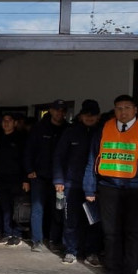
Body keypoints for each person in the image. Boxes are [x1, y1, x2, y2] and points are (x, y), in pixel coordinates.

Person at [84, 94, 138, 274]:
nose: (122, 112)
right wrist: (89, 186)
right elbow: (93, 158)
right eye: (119, 108)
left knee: (133, 233)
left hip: (137, 188)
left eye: (127, 108)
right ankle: (112, 271)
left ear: (135, 110)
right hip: (109, 187)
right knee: (110, 233)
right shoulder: (105, 127)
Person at [53, 99, 103, 265]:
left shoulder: (103, 133)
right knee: (70, 220)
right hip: (71, 183)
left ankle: (91, 252)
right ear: (80, 116)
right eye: (86, 115)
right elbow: (59, 156)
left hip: (95, 186)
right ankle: (70, 250)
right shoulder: (71, 132)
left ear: (98, 116)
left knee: (93, 221)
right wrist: (59, 180)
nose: (89, 118)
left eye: (93, 115)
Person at [24, 99, 69, 252]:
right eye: (57, 110)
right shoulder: (39, 128)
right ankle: (37, 240)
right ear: (50, 111)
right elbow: (29, 150)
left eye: (62, 111)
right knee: (38, 209)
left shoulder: (67, 129)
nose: (59, 113)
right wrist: (29, 170)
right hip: (39, 176)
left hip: (60, 179)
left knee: (57, 209)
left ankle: (54, 240)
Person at [0, 113, 29, 246]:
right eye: (4, 120)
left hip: (17, 179)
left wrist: (25, 179)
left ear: (15, 123)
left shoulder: (21, 139)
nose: (6, 123)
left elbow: (25, 159)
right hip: (2, 179)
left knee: (17, 208)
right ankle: (7, 233)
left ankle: (17, 234)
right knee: (4, 207)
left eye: (9, 120)